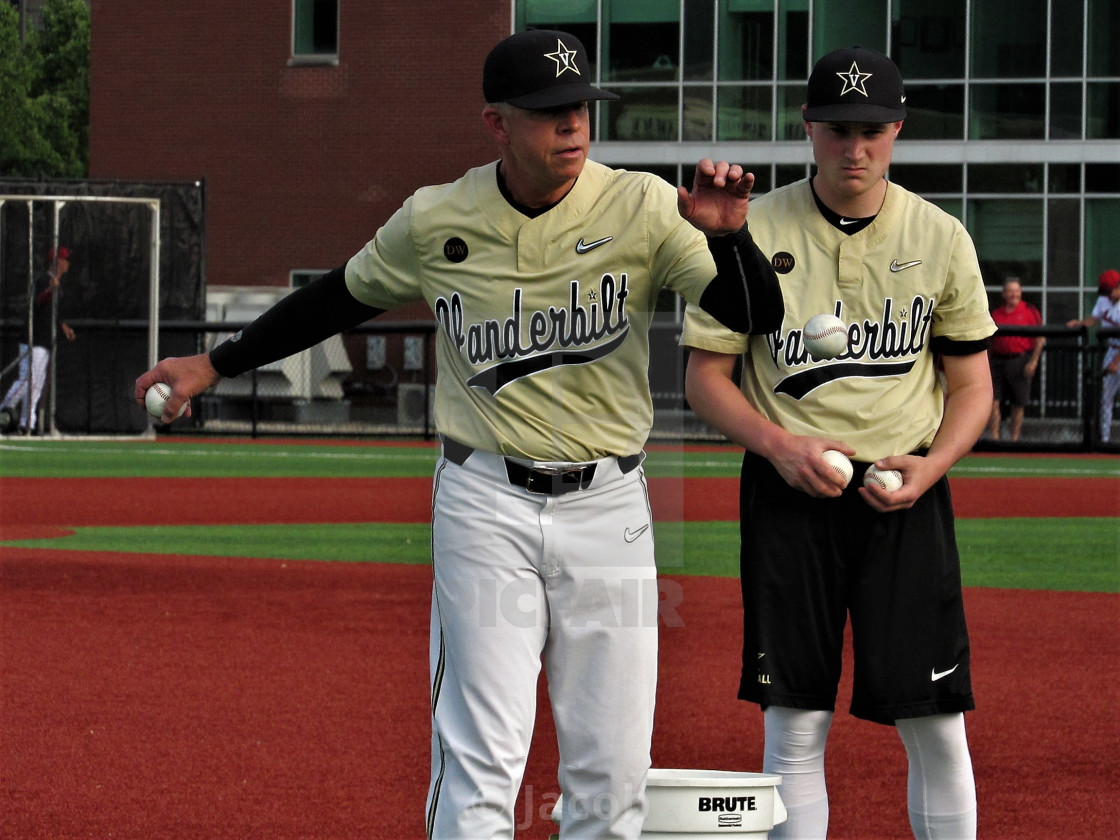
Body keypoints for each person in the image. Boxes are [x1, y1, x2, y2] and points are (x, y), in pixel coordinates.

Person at [134, 29, 783, 840]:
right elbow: (335, 300)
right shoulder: (439, 218)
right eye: (548, 112)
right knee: (480, 761)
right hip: (485, 504)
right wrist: (214, 363)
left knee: (611, 775)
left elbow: (755, 319)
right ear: (496, 123)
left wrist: (729, 236)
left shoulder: (644, 206)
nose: (572, 126)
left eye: (580, 107)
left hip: (609, 508)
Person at [681, 47, 995, 839]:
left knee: (934, 720)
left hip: (904, 496)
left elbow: (972, 387)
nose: (854, 149)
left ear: (896, 129)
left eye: (870, 130)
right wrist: (778, 446)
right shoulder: (755, 229)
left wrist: (932, 466)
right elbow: (706, 378)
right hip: (788, 497)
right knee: (793, 722)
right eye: (836, 129)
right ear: (808, 127)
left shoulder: (940, 234)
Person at [1, 246, 77, 433]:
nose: (68, 263)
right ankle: (4, 409)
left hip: (45, 340)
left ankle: (27, 424)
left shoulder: (57, 284)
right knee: (28, 380)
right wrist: (49, 289)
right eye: (65, 259)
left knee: (36, 385)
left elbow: (51, 312)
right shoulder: (44, 280)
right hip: (33, 339)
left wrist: (62, 326)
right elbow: (38, 302)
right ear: (57, 261)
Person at [987, 277, 1044, 441]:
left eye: (1016, 291)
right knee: (993, 401)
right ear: (1004, 294)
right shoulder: (996, 313)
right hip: (997, 361)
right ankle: (995, 438)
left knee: (1017, 403)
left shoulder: (1029, 311)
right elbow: (989, 340)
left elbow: (1040, 339)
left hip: (1019, 361)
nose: (1014, 294)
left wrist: (1033, 361)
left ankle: (1014, 440)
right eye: (1010, 291)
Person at [1066, 269, 1120, 443]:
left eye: (1110, 290)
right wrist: (1081, 323)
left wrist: (1116, 362)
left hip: (1117, 355)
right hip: (1112, 349)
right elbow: (1095, 318)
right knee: (1106, 398)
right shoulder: (1104, 299)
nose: (1107, 295)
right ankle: (1104, 439)